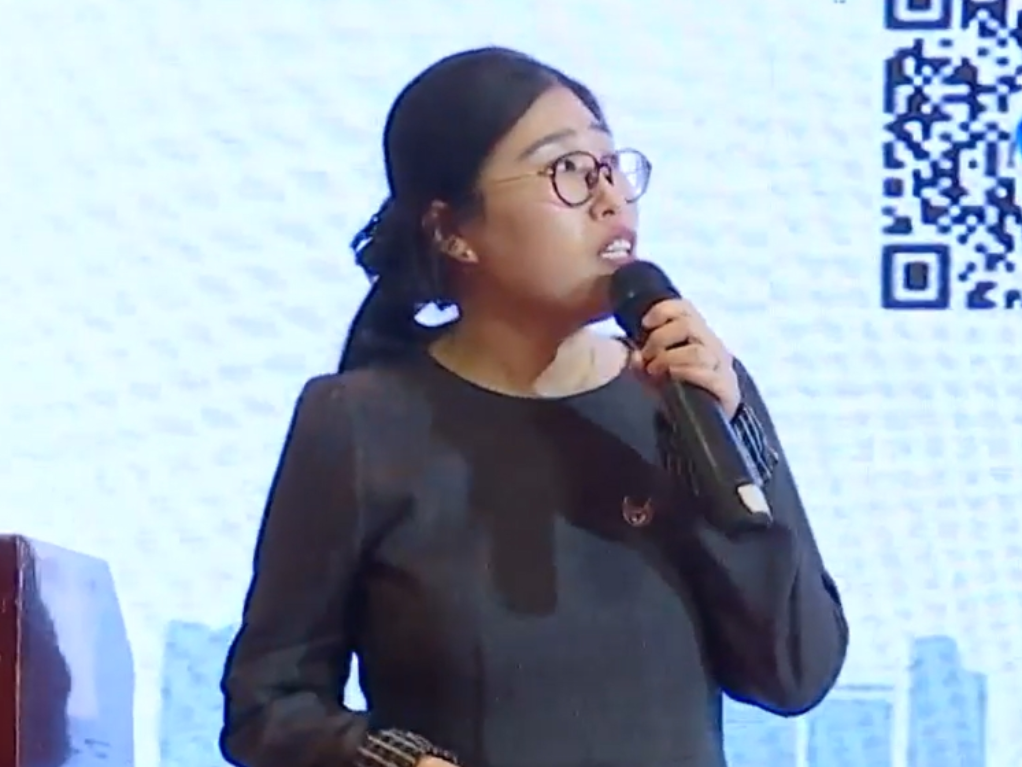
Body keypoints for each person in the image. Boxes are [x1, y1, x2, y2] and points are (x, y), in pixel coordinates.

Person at [218, 46, 849, 767]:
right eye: (568, 170)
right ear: (452, 230)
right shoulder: (359, 422)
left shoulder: (688, 392)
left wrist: (728, 429)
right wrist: (396, 761)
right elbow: (267, 706)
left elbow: (795, 671)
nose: (610, 198)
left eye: (611, 165)